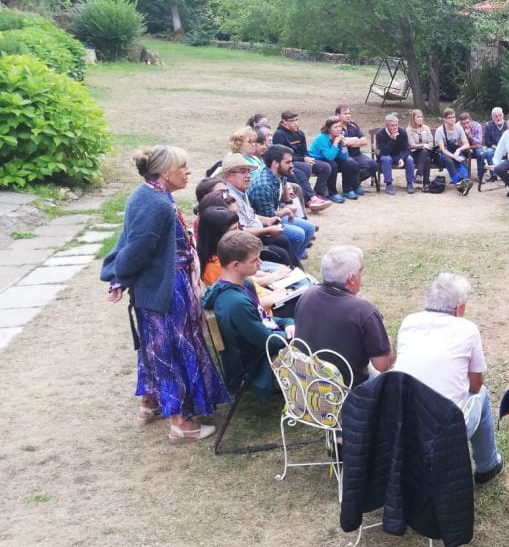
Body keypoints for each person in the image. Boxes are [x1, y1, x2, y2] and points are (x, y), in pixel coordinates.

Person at [100, 146, 229, 441]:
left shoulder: (149, 194)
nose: (188, 172)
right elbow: (136, 247)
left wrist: (120, 276)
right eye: (182, 167)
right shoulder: (156, 203)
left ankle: (151, 401)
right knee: (171, 350)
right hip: (167, 290)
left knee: (156, 345)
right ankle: (181, 423)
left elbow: (132, 239)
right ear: (164, 172)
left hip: (164, 286)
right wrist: (118, 275)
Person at [394, 273, 503, 485]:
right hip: (445, 431)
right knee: (482, 394)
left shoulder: (409, 322)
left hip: (401, 422)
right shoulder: (467, 329)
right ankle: (487, 465)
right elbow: (475, 384)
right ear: (458, 308)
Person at [200, 230, 290, 397]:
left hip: (259, 347)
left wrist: (288, 323)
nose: (260, 263)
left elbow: (263, 317)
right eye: (255, 260)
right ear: (235, 265)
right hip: (255, 367)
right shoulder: (235, 303)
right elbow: (268, 342)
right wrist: (293, 334)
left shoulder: (241, 284)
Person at [292, 246, 394, 384]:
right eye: (360, 271)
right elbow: (382, 365)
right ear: (351, 279)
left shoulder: (307, 294)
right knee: (391, 379)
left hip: (308, 381)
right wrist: (387, 341)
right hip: (343, 392)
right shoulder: (364, 311)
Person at [220, 153, 300, 268]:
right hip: (244, 244)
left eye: (248, 171)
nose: (248, 175)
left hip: (256, 236)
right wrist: (267, 230)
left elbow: (250, 216)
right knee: (281, 251)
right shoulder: (229, 199)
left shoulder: (240, 190)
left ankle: (296, 273)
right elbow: (239, 232)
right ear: (229, 176)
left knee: (283, 240)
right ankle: (291, 276)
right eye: (243, 172)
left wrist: (267, 220)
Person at [248, 144, 317, 259]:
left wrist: (289, 202)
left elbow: (284, 183)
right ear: (275, 163)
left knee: (309, 228)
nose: (292, 165)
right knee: (298, 234)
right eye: (288, 162)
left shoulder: (280, 172)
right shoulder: (263, 185)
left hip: (275, 213)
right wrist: (286, 210)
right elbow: (268, 218)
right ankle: (289, 261)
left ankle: (295, 258)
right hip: (263, 223)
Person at [273, 110, 332, 209]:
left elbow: (304, 151)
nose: (295, 123)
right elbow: (282, 155)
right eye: (292, 121)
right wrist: (303, 159)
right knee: (304, 169)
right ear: (284, 121)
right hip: (289, 162)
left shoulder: (300, 133)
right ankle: (309, 198)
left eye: (297, 120)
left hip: (301, 159)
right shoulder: (279, 134)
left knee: (325, 167)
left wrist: (307, 158)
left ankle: (318, 193)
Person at [310, 117, 364, 202]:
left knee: (349, 163)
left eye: (339, 126)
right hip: (317, 159)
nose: (338, 129)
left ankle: (348, 189)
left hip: (330, 158)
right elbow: (329, 157)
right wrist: (336, 142)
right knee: (333, 165)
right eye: (335, 127)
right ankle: (332, 193)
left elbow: (344, 157)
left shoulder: (339, 137)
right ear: (328, 129)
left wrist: (343, 145)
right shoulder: (322, 138)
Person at [334, 104, 378, 191]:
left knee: (374, 165)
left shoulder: (354, 125)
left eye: (349, 113)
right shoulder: (335, 126)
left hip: (357, 154)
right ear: (337, 115)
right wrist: (355, 140)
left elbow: (364, 140)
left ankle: (355, 182)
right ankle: (353, 186)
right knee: (353, 164)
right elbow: (339, 143)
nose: (348, 115)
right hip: (343, 156)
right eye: (345, 113)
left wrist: (348, 143)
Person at [433, 108, 475, 195]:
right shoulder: (440, 130)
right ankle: (461, 184)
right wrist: (455, 156)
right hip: (443, 153)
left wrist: (458, 150)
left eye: (453, 117)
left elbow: (466, 144)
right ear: (444, 119)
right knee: (450, 161)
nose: (452, 119)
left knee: (462, 160)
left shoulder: (458, 128)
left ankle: (463, 183)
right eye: (449, 117)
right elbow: (443, 149)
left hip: (454, 150)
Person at [375, 113, 416, 195]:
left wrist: (402, 158)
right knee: (386, 159)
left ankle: (410, 183)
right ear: (387, 125)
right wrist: (393, 139)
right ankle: (389, 184)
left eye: (396, 125)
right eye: (392, 125)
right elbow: (385, 151)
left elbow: (406, 149)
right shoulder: (380, 134)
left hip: (399, 155)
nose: (395, 127)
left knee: (409, 159)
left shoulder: (402, 133)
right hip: (387, 155)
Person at [405, 108, 436, 191]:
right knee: (427, 159)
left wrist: (427, 146)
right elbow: (412, 145)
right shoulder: (409, 130)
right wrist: (423, 145)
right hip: (414, 153)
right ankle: (426, 183)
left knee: (425, 152)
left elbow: (431, 142)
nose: (420, 119)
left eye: (421, 117)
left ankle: (419, 174)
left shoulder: (426, 128)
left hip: (426, 152)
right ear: (413, 118)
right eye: (418, 117)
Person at [481, 107, 508, 181]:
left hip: (507, 148)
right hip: (493, 147)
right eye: (496, 116)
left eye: (500, 115)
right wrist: (496, 148)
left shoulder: (507, 125)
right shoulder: (488, 125)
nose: (498, 118)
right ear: (492, 117)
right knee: (489, 153)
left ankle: (505, 173)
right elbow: (487, 141)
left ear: (503, 115)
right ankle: (494, 175)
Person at [458, 112, 486, 181]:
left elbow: (479, 142)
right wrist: (467, 146)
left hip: (475, 147)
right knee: (458, 154)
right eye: (463, 124)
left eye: (467, 122)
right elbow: (458, 144)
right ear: (461, 123)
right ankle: (464, 177)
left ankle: (481, 176)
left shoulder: (477, 126)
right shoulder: (458, 127)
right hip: (465, 148)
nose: (466, 125)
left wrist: (470, 136)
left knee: (480, 153)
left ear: (471, 121)